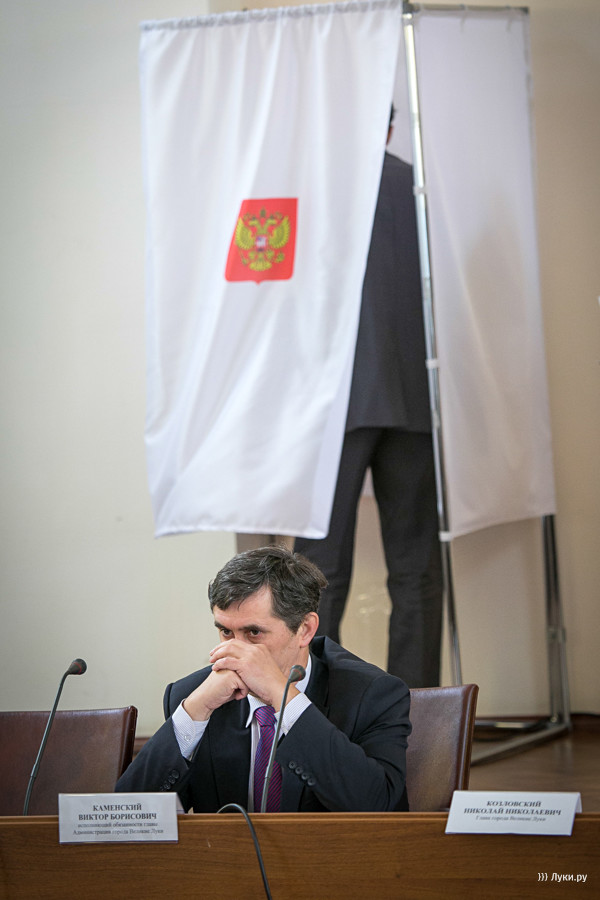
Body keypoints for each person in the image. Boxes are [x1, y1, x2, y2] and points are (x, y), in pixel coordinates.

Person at [294, 107, 443, 689]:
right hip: (414, 398)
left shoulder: (310, 184)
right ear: (389, 127)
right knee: (416, 568)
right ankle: (420, 714)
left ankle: (310, 708)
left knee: (315, 574)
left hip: (336, 404)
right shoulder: (421, 183)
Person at [116, 545, 410, 813]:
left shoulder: (371, 693)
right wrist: (194, 712)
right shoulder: (193, 695)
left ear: (305, 629)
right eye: (226, 632)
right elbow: (126, 818)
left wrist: (284, 698)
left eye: (254, 633)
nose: (237, 650)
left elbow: (382, 808)